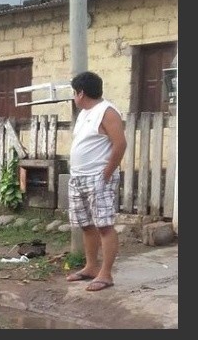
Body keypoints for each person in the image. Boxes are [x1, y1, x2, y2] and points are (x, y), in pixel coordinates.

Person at [65, 71, 127, 292]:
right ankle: (91, 267)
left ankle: (106, 274)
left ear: (81, 93)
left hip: (98, 178)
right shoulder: (84, 113)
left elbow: (120, 144)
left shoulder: (107, 112)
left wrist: (106, 175)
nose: (74, 97)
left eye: (74, 93)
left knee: (104, 225)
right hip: (79, 177)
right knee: (86, 224)